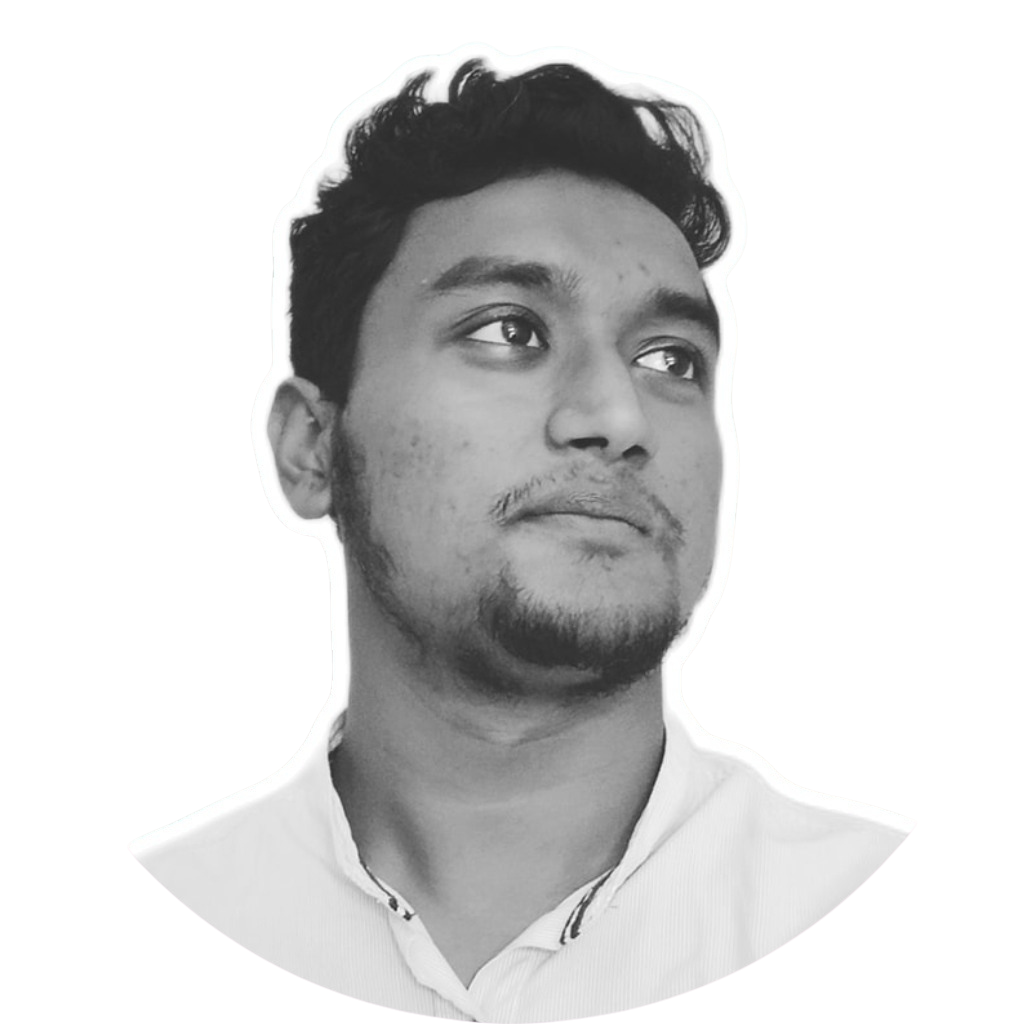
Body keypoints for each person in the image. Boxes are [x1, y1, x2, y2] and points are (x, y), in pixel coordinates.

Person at [129, 45, 913, 1021]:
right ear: (311, 449)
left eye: (670, 358)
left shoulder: (912, 935)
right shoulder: (129, 942)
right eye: (509, 330)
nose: (617, 416)